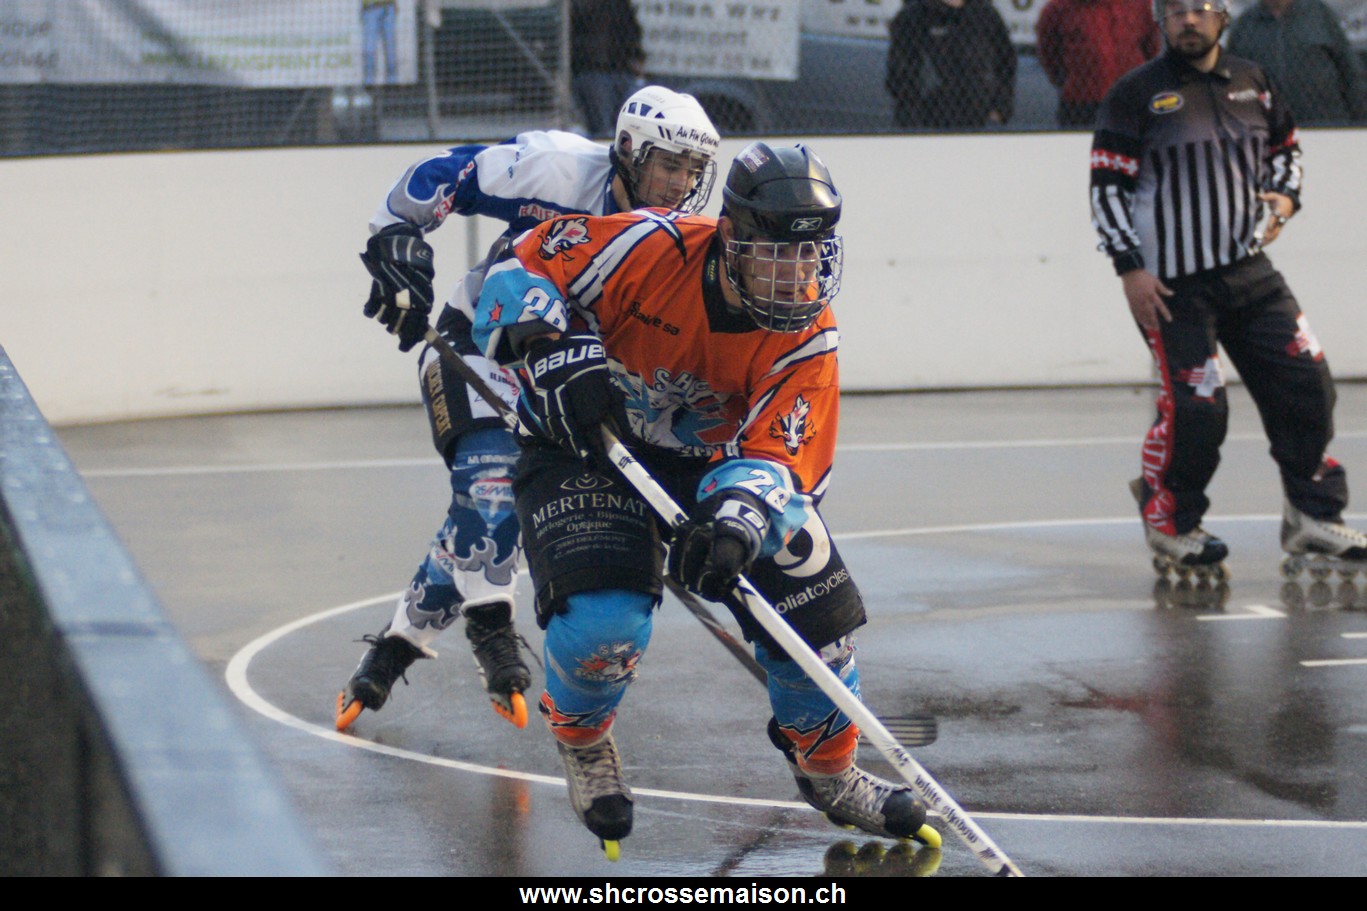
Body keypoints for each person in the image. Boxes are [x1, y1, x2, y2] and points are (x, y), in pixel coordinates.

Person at [469, 142, 938, 853]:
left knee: (816, 614)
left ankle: (828, 770)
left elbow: (784, 460)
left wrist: (735, 525)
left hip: (716, 468)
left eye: (809, 256)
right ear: (729, 238)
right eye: (777, 256)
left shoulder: (809, 335)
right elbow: (523, 260)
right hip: (585, 444)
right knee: (604, 627)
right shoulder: (646, 245)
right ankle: (584, 738)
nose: (797, 278)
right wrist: (548, 342)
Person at [337, 86, 721, 733]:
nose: (680, 184)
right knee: (491, 486)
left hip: (564, 381)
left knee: (492, 512)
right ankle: (491, 624)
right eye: (668, 164)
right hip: (480, 341)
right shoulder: (559, 169)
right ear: (628, 150)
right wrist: (397, 235)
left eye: (692, 170)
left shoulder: (685, 239)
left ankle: (395, 646)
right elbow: (450, 172)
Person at [1090, 0, 1367, 579]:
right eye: (1177, 11)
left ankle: (1312, 515)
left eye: (1201, 9)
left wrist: (1286, 197)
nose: (1189, 20)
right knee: (1198, 411)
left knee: (1307, 386)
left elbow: (1285, 148)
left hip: (1250, 273)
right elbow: (1108, 186)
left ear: (1222, 17)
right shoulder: (1135, 92)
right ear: (1161, 21)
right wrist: (1130, 268)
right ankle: (1170, 521)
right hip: (1170, 287)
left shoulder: (1252, 80)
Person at [1227, 0, 1367, 125]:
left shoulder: (1319, 15)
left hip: (1327, 128)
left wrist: (1360, 124)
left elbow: (1351, 73)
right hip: (1270, 132)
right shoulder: (1245, 26)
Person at [885, 0, 1017, 129]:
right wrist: (915, 120)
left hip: (980, 119)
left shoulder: (985, 12)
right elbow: (900, 75)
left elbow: (1006, 61)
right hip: (929, 121)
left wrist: (1001, 106)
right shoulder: (914, 15)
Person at [1036, 0, 1161, 127]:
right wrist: (1072, 82)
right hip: (1081, 105)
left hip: (1132, 101)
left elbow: (1152, 50)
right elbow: (1048, 53)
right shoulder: (1058, 8)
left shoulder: (1141, 5)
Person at [571, 0, 647, 137]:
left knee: (627, 123)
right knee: (603, 128)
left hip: (622, 69)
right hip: (591, 70)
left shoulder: (620, 5)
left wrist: (637, 57)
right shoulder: (580, 6)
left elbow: (632, 31)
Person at [361, 0, 398, 86]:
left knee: (390, 49)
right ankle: (369, 84)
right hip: (370, 8)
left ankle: (392, 84)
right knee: (369, 49)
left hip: (388, 8)